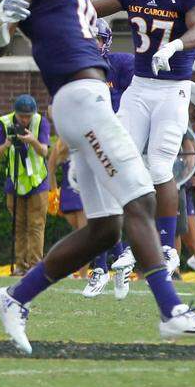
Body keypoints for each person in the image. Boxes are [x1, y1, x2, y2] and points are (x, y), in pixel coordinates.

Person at [0, 0, 195, 355]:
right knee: (141, 198)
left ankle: (14, 298)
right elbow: (3, 31)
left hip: (88, 99)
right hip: (81, 98)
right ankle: (172, 312)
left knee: (105, 229)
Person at [93, 0, 195, 277]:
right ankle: (124, 247)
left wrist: (174, 47)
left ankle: (165, 247)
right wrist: (59, 5)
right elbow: (92, 9)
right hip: (140, 87)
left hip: (172, 89)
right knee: (118, 160)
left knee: (160, 167)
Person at [81, 18, 135, 299]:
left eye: (98, 40)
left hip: (116, 143)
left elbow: (141, 94)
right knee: (98, 210)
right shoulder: (80, 69)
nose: (94, 45)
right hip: (92, 142)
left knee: (102, 208)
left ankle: (103, 267)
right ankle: (116, 259)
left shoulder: (121, 65)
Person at [0, 94, 51, 275]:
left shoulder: (41, 122)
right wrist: (8, 143)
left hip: (37, 181)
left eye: (28, 116)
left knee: (36, 225)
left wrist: (32, 140)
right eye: (21, 116)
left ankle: (34, 266)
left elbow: (44, 151)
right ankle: (20, 265)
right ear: (15, 113)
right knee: (18, 225)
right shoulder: (4, 122)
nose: (24, 120)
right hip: (15, 179)